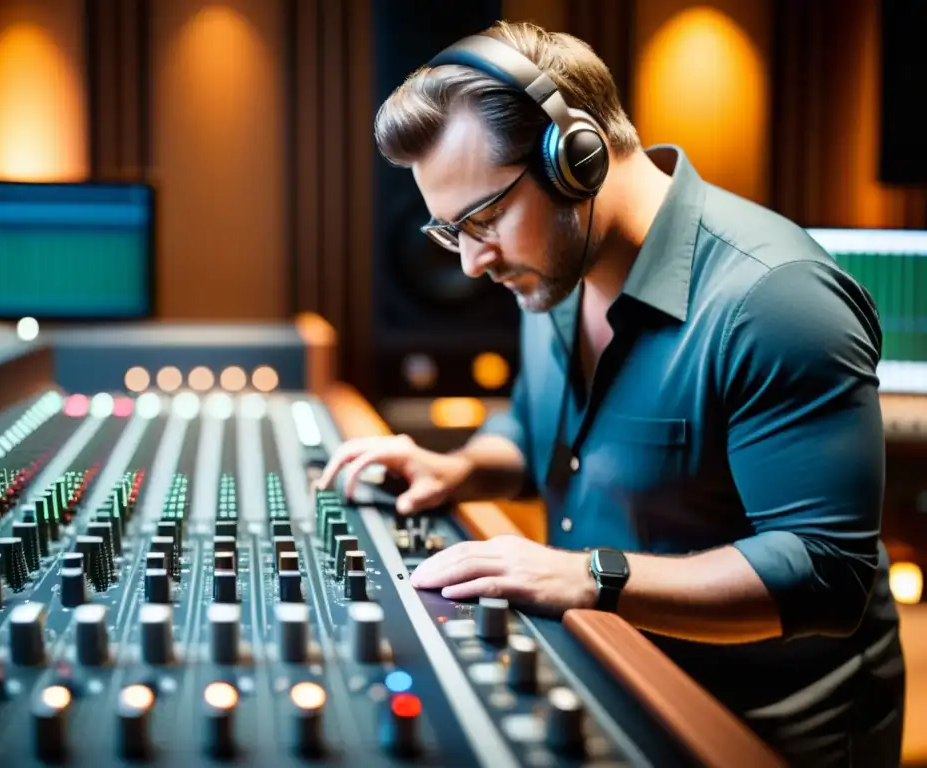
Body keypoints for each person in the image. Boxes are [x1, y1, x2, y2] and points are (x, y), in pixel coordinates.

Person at [317, 20, 905, 766]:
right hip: (617, 675)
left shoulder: (777, 300)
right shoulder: (551, 269)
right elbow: (538, 427)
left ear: (578, 159)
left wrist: (588, 573)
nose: (470, 262)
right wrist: (463, 467)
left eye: (484, 219)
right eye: (448, 232)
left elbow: (826, 571)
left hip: (763, 731)